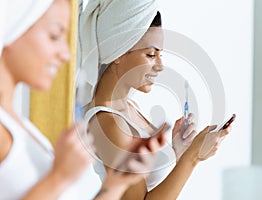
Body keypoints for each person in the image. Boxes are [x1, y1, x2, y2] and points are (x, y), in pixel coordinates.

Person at [0, 0, 167, 199]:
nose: (65, 53)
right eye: (54, 36)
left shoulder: (21, 128)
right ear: (13, 27)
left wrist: (116, 182)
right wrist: (61, 176)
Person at [78, 0, 232, 199]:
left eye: (160, 54)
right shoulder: (107, 123)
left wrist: (179, 152)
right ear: (119, 52)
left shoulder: (129, 108)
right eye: (151, 54)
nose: (160, 66)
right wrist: (192, 156)